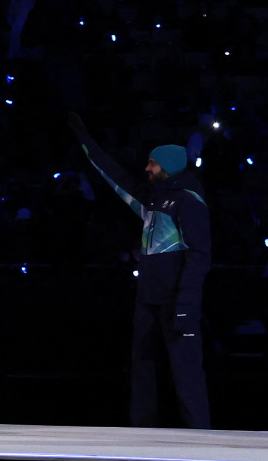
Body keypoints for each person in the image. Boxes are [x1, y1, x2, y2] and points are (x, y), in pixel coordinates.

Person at [69, 115, 212, 428]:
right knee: (142, 367)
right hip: (148, 299)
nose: (146, 168)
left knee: (186, 371)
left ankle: (202, 438)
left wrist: (186, 306)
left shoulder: (188, 200)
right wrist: (86, 140)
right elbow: (113, 174)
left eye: (152, 164)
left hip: (177, 302)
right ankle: (141, 434)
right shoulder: (149, 197)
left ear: (167, 166)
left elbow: (200, 256)